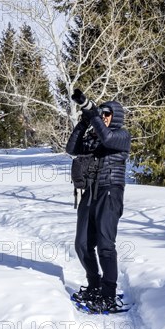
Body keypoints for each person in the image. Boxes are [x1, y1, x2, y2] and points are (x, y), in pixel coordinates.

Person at [66, 89, 131, 313]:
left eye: (107, 113)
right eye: (101, 113)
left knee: (105, 245)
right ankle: (94, 286)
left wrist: (93, 114)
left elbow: (108, 137)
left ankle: (108, 294)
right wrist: (84, 121)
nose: (103, 116)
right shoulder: (95, 137)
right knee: (82, 244)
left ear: (116, 116)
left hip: (110, 193)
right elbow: (71, 149)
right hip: (90, 194)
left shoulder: (121, 136)